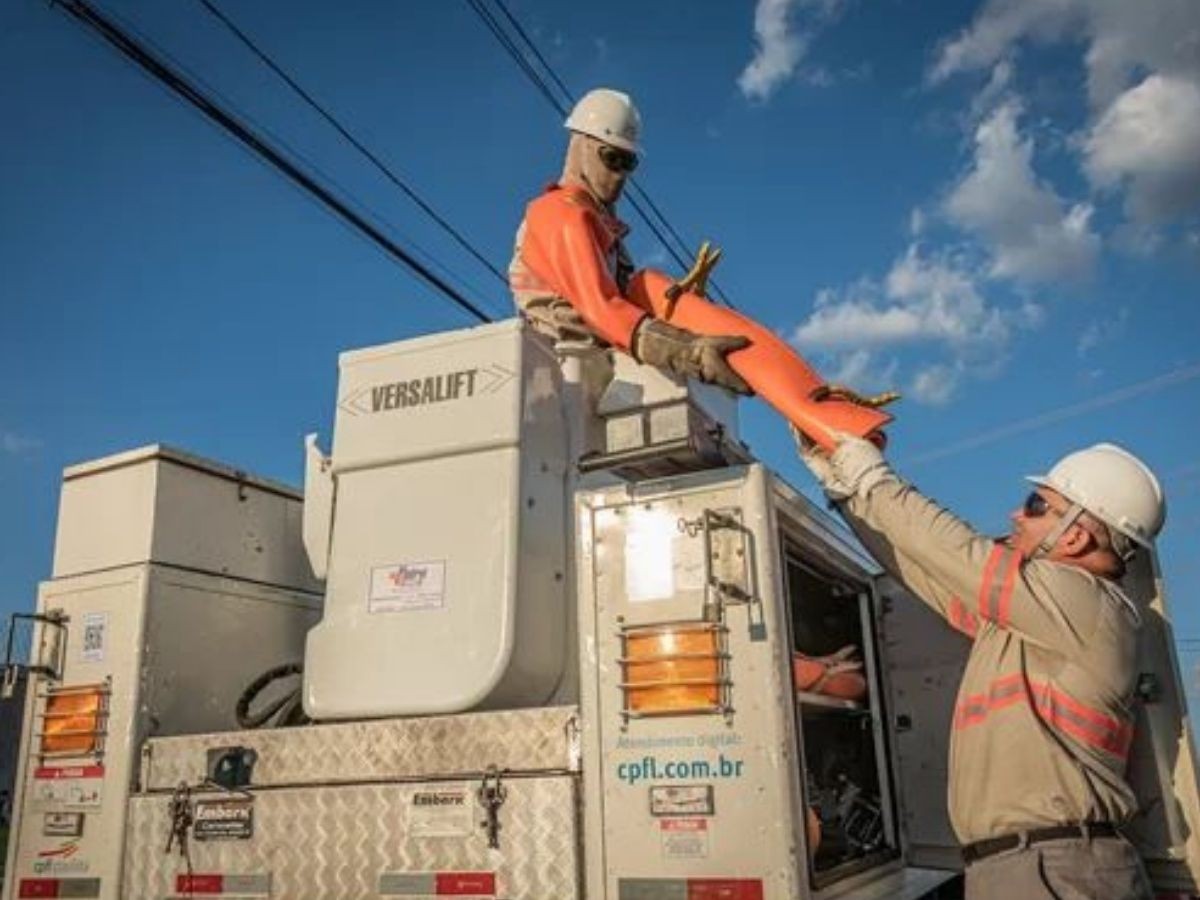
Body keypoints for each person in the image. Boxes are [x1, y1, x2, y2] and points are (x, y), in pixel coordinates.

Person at [798, 432, 1167, 899]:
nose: (1017, 513)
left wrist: (871, 474)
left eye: (1036, 504)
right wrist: (844, 488)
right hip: (1034, 865)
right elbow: (923, 568)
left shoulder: (1083, 601)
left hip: (1052, 868)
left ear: (1074, 535)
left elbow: (956, 552)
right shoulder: (1039, 620)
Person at [510, 87, 894, 450]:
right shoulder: (559, 215)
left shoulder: (603, 232)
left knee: (652, 285)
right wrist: (688, 351)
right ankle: (828, 423)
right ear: (581, 147)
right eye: (612, 158)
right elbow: (602, 307)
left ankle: (823, 412)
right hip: (564, 372)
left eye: (630, 163)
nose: (621, 174)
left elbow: (627, 301)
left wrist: (686, 314)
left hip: (598, 372)